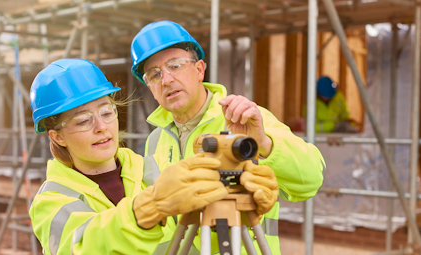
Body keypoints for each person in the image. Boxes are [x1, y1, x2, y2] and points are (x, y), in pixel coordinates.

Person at [130, 20, 325, 254]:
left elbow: (311, 177)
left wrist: (263, 143)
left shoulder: (245, 121)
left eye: (175, 65)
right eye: (154, 74)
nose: (167, 80)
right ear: (149, 86)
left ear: (200, 69)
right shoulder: (155, 140)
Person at [28, 58, 234, 255]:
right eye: (83, 121)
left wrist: (231, 206)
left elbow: (198, 238)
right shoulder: (51, 201)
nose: (102, 127)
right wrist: (142, 212)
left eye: (107, 113)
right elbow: (84, 246)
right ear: (57, 137)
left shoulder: (155, 168)